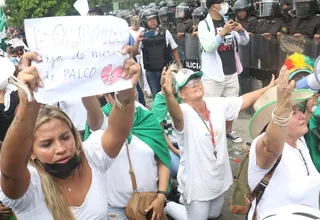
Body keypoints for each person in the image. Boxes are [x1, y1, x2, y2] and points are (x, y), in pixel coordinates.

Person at [0, 50, 140, 220]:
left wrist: (126, 89)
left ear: (74, 135)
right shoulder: (30, 188)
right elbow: (10, 170)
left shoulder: (92, 157)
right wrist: (27, 107)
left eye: (65, 137)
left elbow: (118, 133)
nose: (60, 149)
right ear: (30, 152)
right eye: (46, 144)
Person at [162, 66, 277, 220]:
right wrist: (169, 95)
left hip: (218, 177)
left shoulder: (215, 103)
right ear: (181, 94)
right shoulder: (183, 111)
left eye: (196, 80)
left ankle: (186, 203)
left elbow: (243, 101)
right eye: (188, 84)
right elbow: (176, 116)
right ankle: (169, 204)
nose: (195, 84)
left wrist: (268, 88)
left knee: (214, 214)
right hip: (197, 183)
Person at [247, 66, 320, 220]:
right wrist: (282, 111)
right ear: (271, 122)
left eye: (298, 109)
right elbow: (271, 147)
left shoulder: (298, 140)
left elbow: (297, 124)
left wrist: (307, 111)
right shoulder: (263, 144)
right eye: (293, 112)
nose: (301, 116)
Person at [82, 94, 171, 220]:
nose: (122, 98)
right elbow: (91, 110)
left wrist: (161, 196)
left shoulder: (147, 118)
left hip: (150, 205)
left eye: (124, 92)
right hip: (115, 209)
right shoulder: (101, 121)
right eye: (114, 94)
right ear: (107, 97)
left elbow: (163, 160)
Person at [198, 0, 250, 143]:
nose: (225, 4)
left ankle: (228, 131)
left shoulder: (228, 20)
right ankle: (212, 134)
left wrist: (240, 30)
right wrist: (222, 33)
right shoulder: (204, 25)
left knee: (231, 104)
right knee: (211, 107)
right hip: (213, 75)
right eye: (221, 2)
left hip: (231, 71)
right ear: (214, 6)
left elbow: (244, 41)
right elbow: (208, 47)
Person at [133, 8, 182, 98]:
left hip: (165, 70)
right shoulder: (142, 36)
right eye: (150, 20)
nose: (153, 21)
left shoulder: (165, 33)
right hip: (151, 72)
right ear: (145, 21)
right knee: (157, 97)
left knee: (170, 94)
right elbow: (135, 53)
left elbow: (174, 49)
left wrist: (179, 65)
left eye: (154, 19)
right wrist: (137, 41)